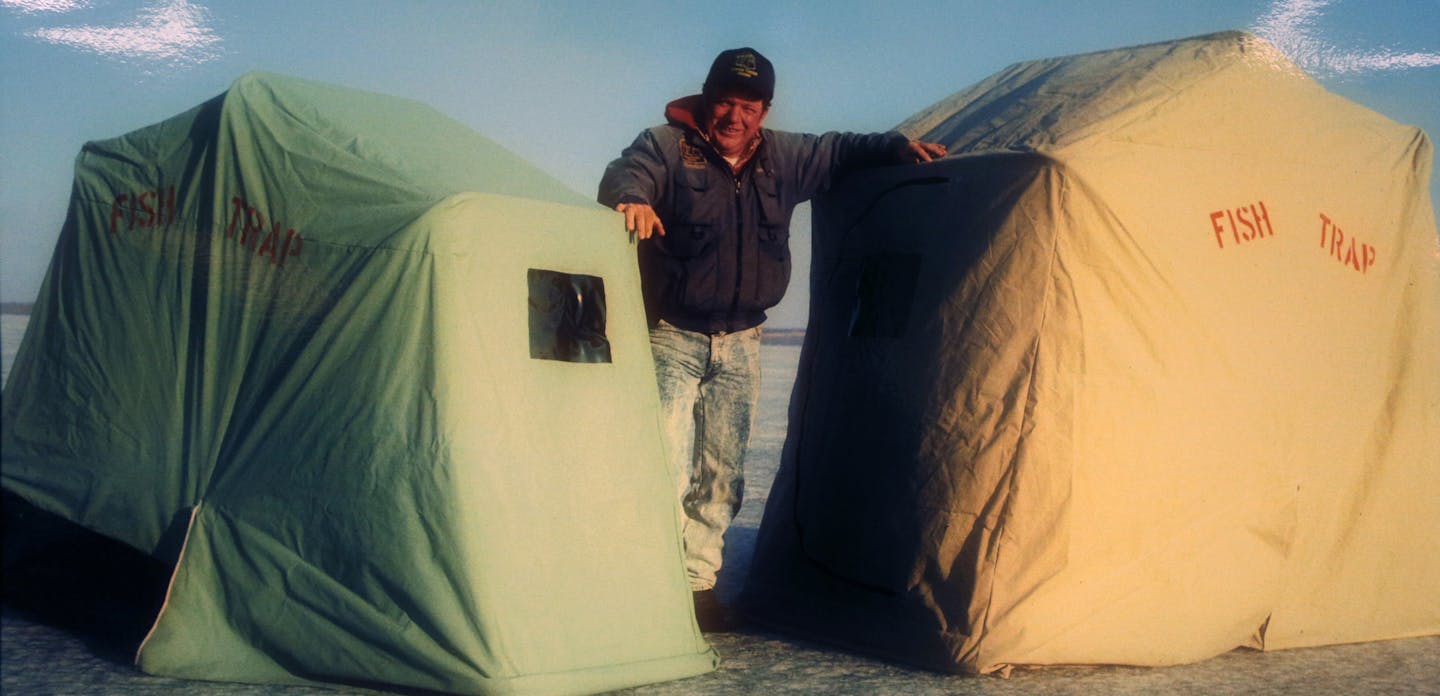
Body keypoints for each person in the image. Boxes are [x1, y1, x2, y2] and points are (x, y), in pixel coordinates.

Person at [597, 47, 945, 631]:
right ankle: (645, 583)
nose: (736, 117)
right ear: (708, 98)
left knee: (722, 472)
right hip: (670, 336)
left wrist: (894, 147)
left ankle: (697, 586)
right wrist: (630, 196)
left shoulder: (785, 157)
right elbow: (627, 171)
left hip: (742, 342)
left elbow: (839, 149)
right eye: (727, 102)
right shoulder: (665, 146)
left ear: (765, 110)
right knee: (661, 464)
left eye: (750, 106)